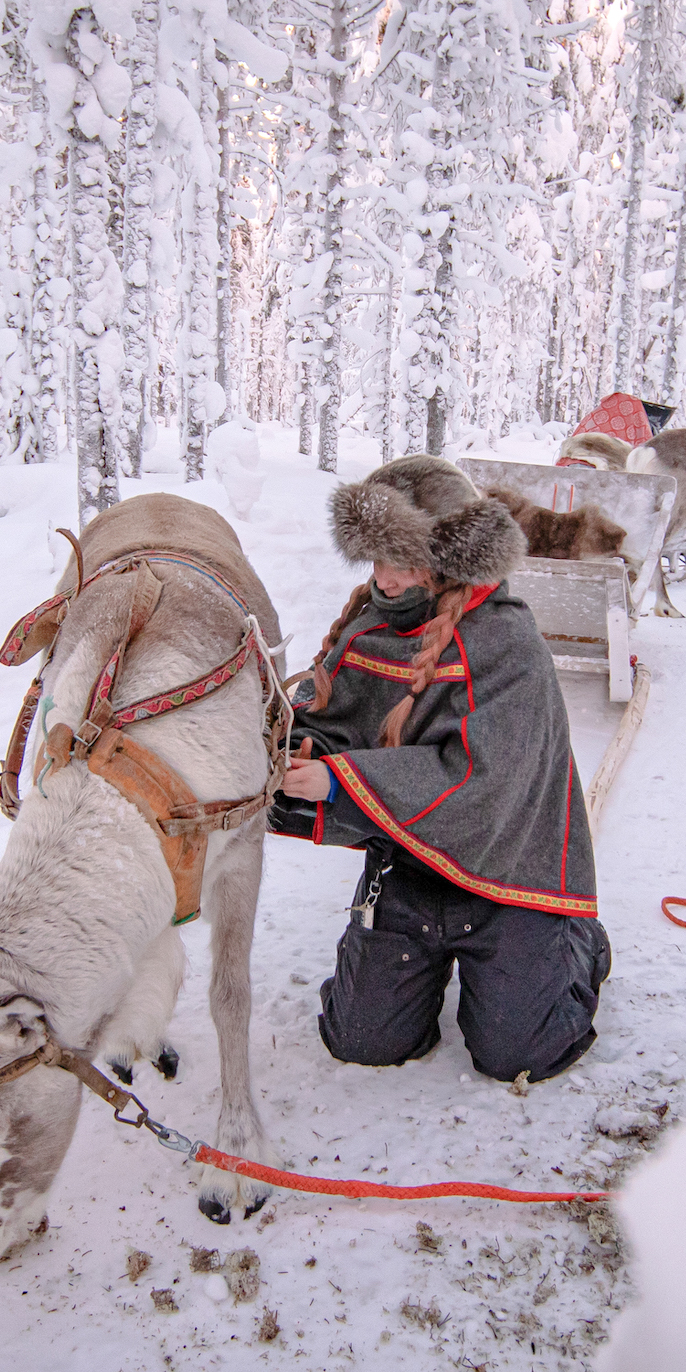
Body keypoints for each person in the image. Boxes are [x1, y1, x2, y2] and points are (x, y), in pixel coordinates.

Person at [270, 457, 611, 1084]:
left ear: (450, 558)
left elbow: (485, 783)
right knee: (363, 1040)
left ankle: (577, 941)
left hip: (510, 875)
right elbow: (333, 723)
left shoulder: (508, 643)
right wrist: (290, 753)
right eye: (375, 561)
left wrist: (344, 783)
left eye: (403, 561)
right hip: (413, 866)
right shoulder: (370, 628)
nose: (386, 582)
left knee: (516, 1055)